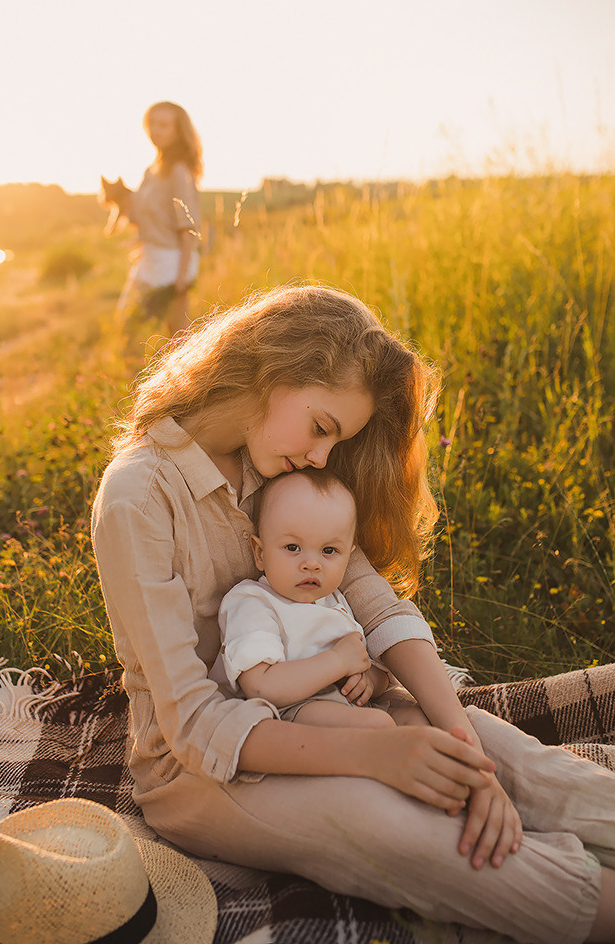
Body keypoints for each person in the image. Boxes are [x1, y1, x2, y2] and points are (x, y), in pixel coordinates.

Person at [91, 284, 615, 943]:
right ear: (273, 368)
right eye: (321, 427)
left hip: (335, 702)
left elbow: (374, 603)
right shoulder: (139, 496)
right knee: (403, 829)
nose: (320, 457)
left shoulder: (272, 463)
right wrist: (379, 754)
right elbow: (194, 723)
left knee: (522, 764)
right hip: (204, 766)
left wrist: (464, 744)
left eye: (332, 441)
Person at [213, 468, 395, 728]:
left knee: (415, 719)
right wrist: (338, 661)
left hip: (344, 705)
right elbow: (261, 686)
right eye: (293, 547)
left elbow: (373, 668)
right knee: (379, 725)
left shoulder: (335, 601)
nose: (312, 564)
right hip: (286, 713)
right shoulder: (252, 601)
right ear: (260, 553)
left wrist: (368, 681)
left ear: (348, 555)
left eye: (329, 550)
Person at [103, 100, 202, 338]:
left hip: (172, 261)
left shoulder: (178, 170)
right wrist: (118, 200)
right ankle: (133, 361)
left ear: (178, 131)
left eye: (164, 125)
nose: (156, 130)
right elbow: (142, 217)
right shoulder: (151, 171)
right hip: (150, 258)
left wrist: (182, 276)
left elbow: (188, 227)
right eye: (152, 124)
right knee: (127, 325)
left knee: (178, 335)